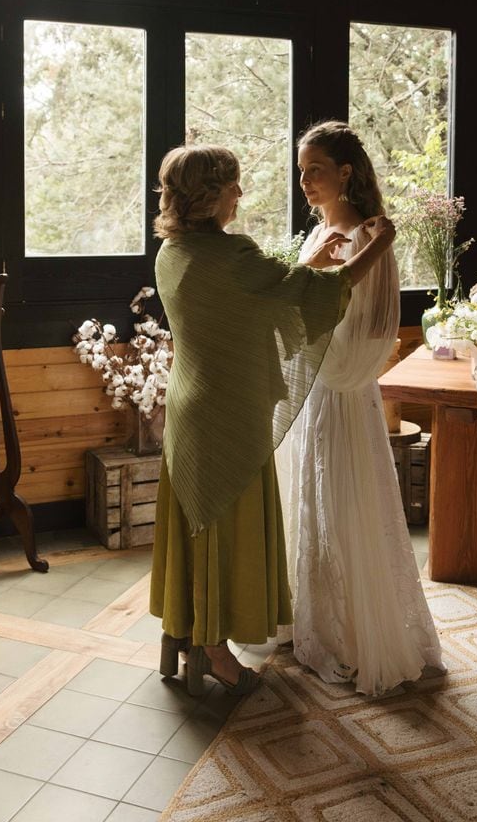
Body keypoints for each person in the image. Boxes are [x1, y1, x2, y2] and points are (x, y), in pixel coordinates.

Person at [149, 143, 397, 696]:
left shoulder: (173, 252)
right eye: (233, 185)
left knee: (196, 530)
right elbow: (314, 296)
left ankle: (182, 634)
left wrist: (306, 266)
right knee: (222, 531)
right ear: (211, 195)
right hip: (228, 416)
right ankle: (215, 653)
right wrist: (378, 243)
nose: (240, 193)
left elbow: (253, 303)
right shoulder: (232, 254)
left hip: (188, 409)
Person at [280, 121, 445, 696]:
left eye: (314, 170)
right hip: (315, 393)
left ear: (345, 173)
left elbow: (374, 330)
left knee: (341, 510)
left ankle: (348, 630)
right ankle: (308, 614)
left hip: (339, 394)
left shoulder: (367, 237)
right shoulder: (324, 233)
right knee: (314, 509)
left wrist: (328, 371)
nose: (303, 181)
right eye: (301, 171)